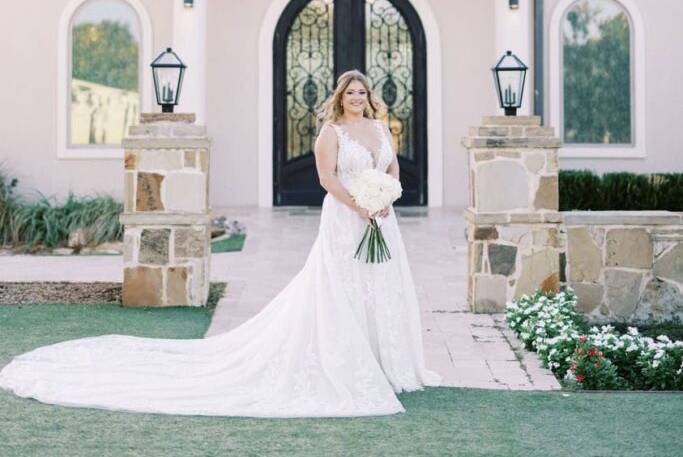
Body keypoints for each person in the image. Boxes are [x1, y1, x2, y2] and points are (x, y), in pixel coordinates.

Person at [0, 70, 440, 417]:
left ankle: (388, 362)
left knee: (380, 285)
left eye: (363, 93)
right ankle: (348, 361)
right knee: (342, 286)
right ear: (340, 97)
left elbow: (392, 170)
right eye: (351, 94)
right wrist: (359, 206)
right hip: (346, 219)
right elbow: (327, 179)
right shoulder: (331, 134)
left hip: (382, 220)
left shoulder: (381, 130)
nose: (358, 100)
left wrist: (385, 199)